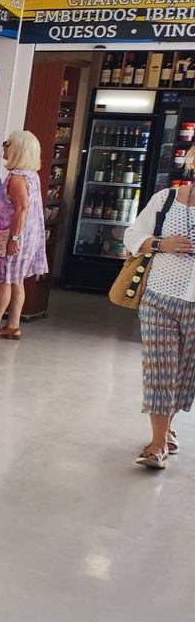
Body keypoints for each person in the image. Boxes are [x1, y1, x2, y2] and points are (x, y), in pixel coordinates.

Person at [125, 151, 195, 469]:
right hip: (159, 298)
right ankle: (157, 444)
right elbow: (132, 235)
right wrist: (160, 244)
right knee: (159, 371)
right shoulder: (165, 199)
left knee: (185, 374)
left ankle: (167, 429)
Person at [0, 129, 47, 342]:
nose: (4, 147)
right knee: (17, 280)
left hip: (15, 236)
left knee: (4, 281)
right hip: (29, 235)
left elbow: (21, 209)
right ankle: (13, 326)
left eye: (7, 144)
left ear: (18, 150)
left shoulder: (17, 179)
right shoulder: (31, 175)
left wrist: (14, 239)